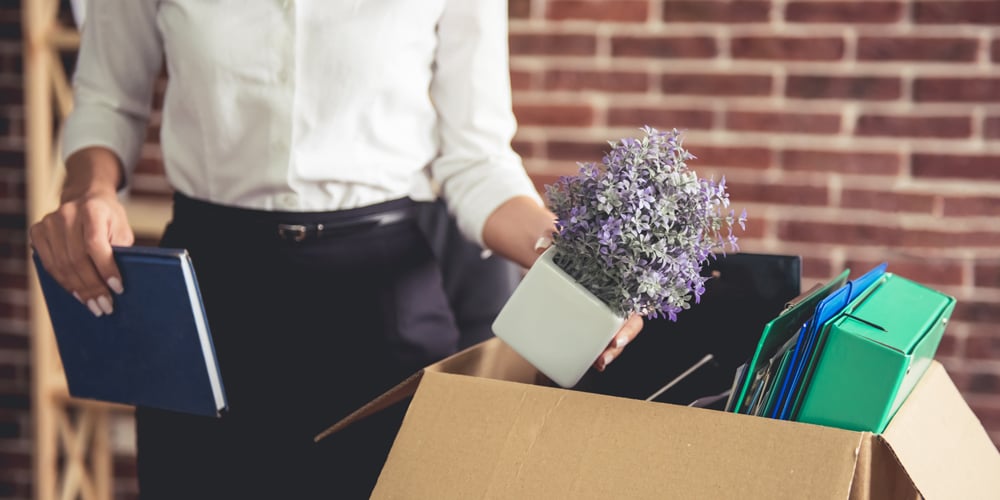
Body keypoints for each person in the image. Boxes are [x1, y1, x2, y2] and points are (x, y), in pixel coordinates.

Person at [29, 1, 645, 498]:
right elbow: (108, 100)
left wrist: (566, 258)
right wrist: (91, 190)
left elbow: (477, 160)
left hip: (380, 303)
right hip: (210, 299)